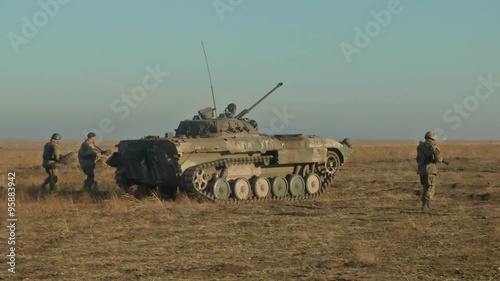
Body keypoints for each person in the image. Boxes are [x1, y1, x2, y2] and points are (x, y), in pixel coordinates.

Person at [416, 131, 447, 211]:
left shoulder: (420, 146)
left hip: (421, 169)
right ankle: (425, 205)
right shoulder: (434, 147)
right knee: (430, 188)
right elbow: (439, 159)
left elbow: (418, 159)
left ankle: (427, 204)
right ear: (434, 138)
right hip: (430, 169)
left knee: (425, 187)